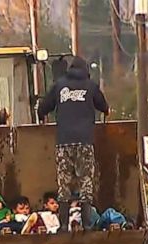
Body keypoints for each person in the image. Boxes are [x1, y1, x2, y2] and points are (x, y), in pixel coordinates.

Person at [37, 56, 109, 231]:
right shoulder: (90, 86)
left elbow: (43, 108)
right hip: (85, 141)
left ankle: (62, 225)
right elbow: (104, 107)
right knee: (85, 181)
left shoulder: (59, 85)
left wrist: (43, 117)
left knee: (64, 182)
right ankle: (86, 224)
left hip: (64, 141)